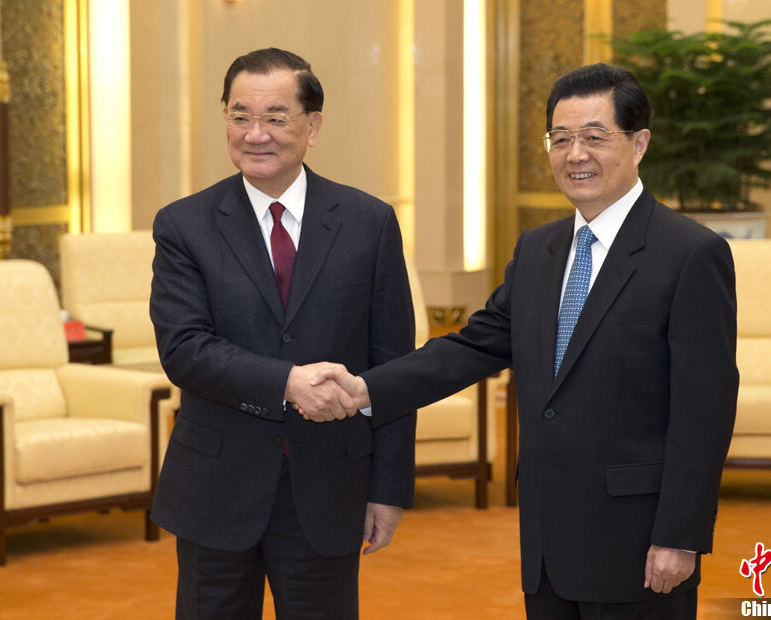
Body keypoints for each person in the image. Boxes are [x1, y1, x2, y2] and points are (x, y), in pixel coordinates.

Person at [305, 63, 739, 619]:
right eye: (561, 139)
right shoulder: (538, 250)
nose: (575, 154)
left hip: (639, 542)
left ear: (640, 143)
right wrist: (365, 388)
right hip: (547, 541)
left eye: (594, 137)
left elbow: (704, 412)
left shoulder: (690, 254)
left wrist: (680, 535)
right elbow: (473, 346)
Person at [148, 47, 417, 620]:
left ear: (312, 126)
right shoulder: (184, 225)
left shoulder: (369, 223)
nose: (255, 133)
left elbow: (393, 365)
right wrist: (287, 383)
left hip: (329, 490)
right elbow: (184, 349)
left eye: (275, 117)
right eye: (240, 115)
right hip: (216, 491)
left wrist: (388, 488)